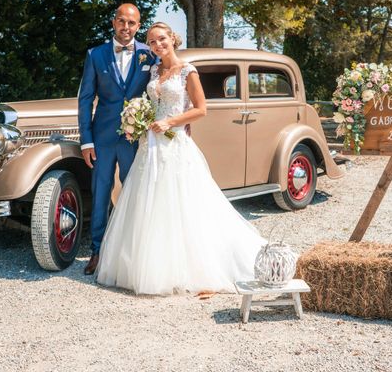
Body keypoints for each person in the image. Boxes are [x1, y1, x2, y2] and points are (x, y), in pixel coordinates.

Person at [96, 22, 265, 295]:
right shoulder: (154, 70)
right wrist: (139, 121)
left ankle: (186, 267)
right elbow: (151, 104)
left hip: (174, 142)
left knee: (181, 203)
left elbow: (201, 109)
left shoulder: (188, 70)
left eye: (161, 39)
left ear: (172, 39)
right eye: (151, 42)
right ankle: (146, 265)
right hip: (150, 144)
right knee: (149, 202)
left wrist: (171, 122)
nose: (157, 45)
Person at [78, 3, 158, 275]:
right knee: (100, 194)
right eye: (122, 21)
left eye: (132, 23)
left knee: (133, 193)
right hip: (101, 138)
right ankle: (97, 251)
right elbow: (86, 99)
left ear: (139, 26)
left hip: (133, 138)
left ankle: (131, 251)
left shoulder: (150, 55)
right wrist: (86, 141)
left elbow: (161, 87)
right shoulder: (95, 55)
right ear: (114, 22)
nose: (126, 28)